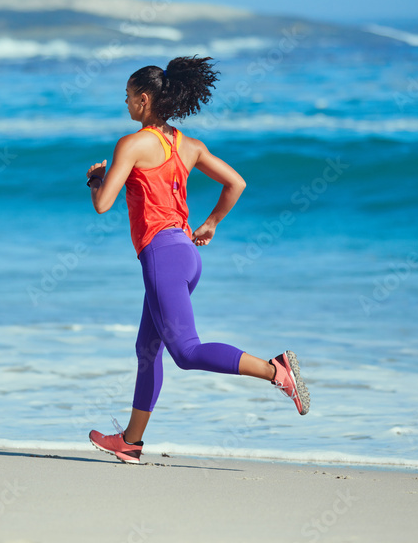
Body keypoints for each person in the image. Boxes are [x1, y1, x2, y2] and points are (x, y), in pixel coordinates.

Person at [85, 56, 309, 464]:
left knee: (186, 352)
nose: (126, 104)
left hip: (161, 255)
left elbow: (103, 205)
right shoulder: (188, 145)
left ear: (145, 99)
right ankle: (131, 443)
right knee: (147, 348)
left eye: (129, 97)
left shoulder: (131, 144)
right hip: (185, 255)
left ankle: (276, 370)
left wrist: (96, 179)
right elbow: (235, 182)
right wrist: (211, 224)